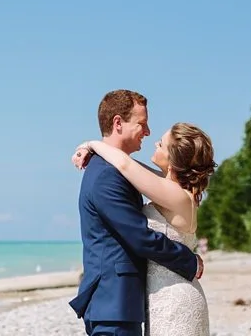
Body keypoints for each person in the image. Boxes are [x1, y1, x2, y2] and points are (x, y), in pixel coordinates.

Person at [69, 90, 204, 336]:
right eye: (142, 124)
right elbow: (139, 236)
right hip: (114, 302)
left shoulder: (126, 173)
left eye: (160, 143)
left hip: (136, 302)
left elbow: (126, 164)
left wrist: (92, 145)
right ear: (118, 123)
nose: (148, 132)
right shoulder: (107, 175)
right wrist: (189, 261)